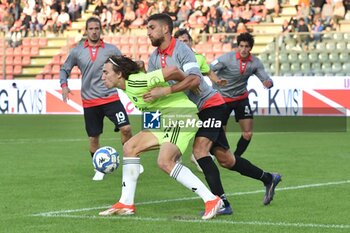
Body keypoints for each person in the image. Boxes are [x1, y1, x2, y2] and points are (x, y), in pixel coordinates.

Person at [146, 14, 281, 209]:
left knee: (200, 151)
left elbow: (194, 80)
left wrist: (165, 90)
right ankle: (268, 178)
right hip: (190, 112)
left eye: (151, 28)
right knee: (227, 160)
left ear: (165, 29)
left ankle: (222, 203)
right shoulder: (154, 58)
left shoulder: (182, 50)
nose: (147, 32)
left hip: (211, 105)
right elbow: (155, 90)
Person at [98, 55, 223, 220]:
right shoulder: (128, 86)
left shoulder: (136, 82)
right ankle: (126, 203)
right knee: (130, 148)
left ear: (119, 74)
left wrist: (188, 84)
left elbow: (172, 70)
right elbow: (143, 71)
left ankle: (211, 200)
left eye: (106, 72)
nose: (102, 77)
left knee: (165, 161)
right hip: (165, 118)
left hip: (181, 115)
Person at [59, 17, 132, 181]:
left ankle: (131, 163)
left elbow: (125, 67)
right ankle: (99, 168)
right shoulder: (77, 51)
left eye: (96, 28)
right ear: (86, 30)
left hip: (111, 98)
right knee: (93, 138)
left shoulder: (111, 49)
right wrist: (64, 85)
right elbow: (65, 69)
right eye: (91, 28)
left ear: (101, 30)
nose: (94, 31)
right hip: (90, 102)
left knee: (126, 128)